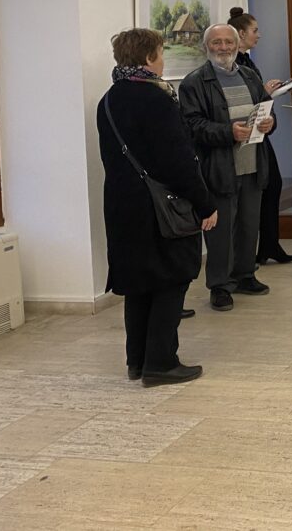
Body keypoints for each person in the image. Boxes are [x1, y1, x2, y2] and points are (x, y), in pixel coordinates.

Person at [97, 29, 218, 386]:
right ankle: (161, 363)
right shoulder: (156, 99)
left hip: (122, 204)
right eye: (161, 53)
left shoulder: (109, 99)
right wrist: (205, 203)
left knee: (139, 283)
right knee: (170, 280)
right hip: (159, 206)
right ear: (149, 57)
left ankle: (137, 361)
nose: (163, 60)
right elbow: (177, 162)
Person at [179, 23, 275, 312]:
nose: (223, 47)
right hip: (219, 168)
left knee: (249, 225)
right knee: (221, 233)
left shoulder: (249, 75)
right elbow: (192, 126)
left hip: (253, 164)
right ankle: (220, 286)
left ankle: (245, 275)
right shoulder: (194, 82)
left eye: (228, 42)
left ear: (237, 44)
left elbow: (265, 109)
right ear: (206, 46)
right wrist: (227, 132)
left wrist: (270, 125)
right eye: (216, 42)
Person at [229, 7, 292, 265]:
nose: (259, 35)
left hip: (260, 131)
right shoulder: (236, 65)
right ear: (241, 33)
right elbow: (247, 99)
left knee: (273, 185)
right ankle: (257, 249)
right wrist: (266, 92)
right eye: (254, 31)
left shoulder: (247, 61)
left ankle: (270, 244)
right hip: (244, 134)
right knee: (260, 189)